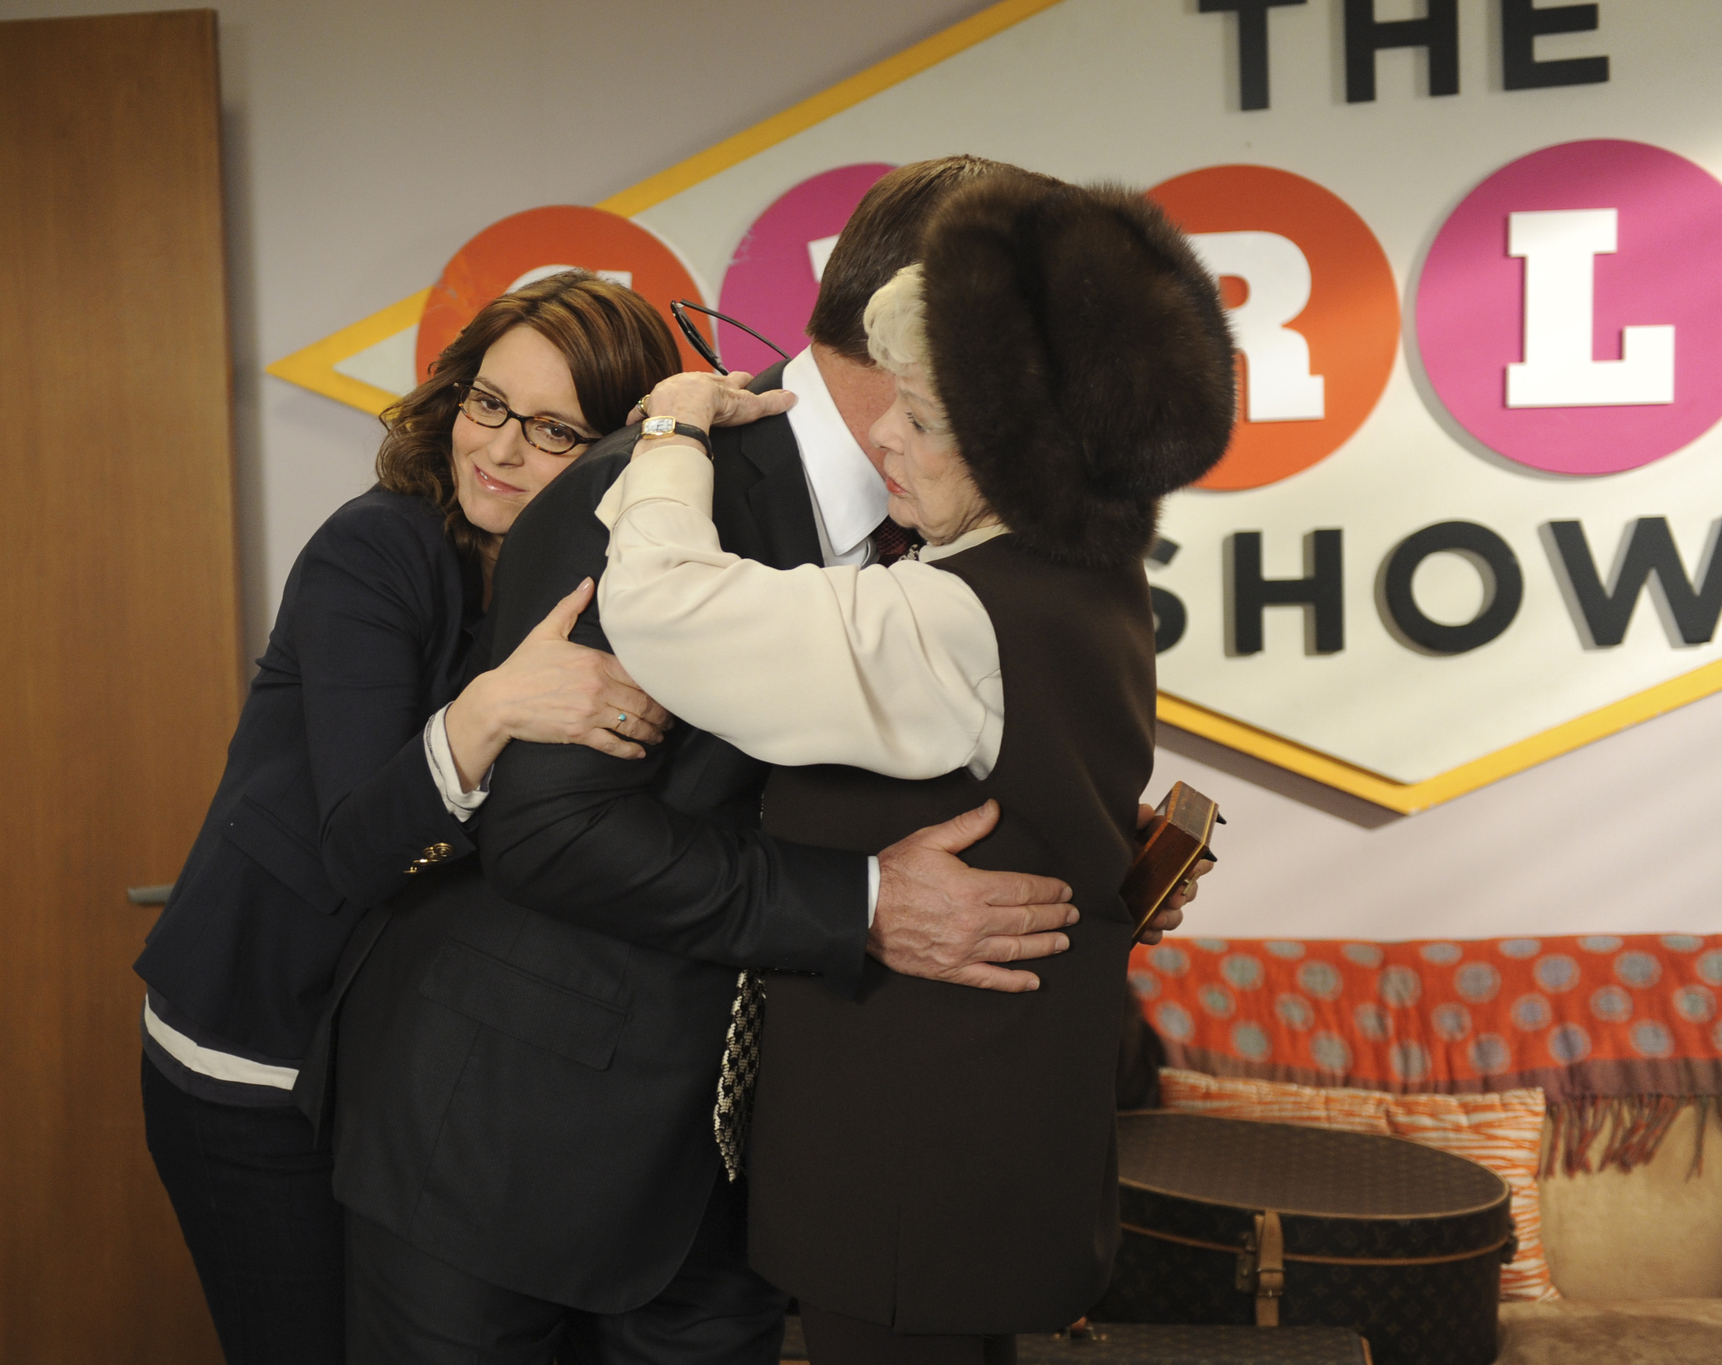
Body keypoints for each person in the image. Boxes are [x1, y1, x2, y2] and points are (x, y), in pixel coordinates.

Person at [320, 158, 1205, 1365]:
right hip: (518, 1152)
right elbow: (549, 834)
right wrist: (869, 904)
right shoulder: (624, 498)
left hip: (756, 1186)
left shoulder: (992, 536)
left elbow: (954, 717)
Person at [593, 170, 1236, 1360]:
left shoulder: (946, 621)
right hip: (986, 1167)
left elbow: (662, 605)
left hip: (909, 1187)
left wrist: (675, 426)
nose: (881, 430)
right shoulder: (1083, 582)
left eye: (926, 421)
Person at [133, 271, 684, 1365]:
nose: (500, 449)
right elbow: (355, 844)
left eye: (552, 430)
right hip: (258, 1058)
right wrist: (488, 709)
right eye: (488, 404)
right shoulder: (375, 548)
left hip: (394, 1067)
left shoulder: (595, 586)